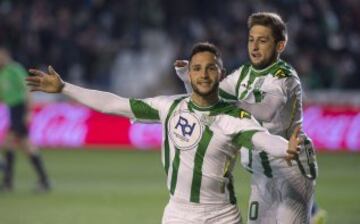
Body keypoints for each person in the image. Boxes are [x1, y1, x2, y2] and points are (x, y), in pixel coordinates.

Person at [27, 42, 302, 224]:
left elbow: (262, 139)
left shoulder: (235, 117)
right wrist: (65, 88)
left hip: (222, 217)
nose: (203, 74)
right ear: (190, 75)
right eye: (196, 69)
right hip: (178, 215)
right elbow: (113, 103)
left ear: (222, 74)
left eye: (210, 68)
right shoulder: (168, 107)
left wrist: (285, 147)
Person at [174, 13, 325, 224]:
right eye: (251, 39)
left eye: (262, 41)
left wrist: (230, 105)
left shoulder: (284, 76)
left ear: (280, 46)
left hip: (291, 170)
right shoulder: (243, 74)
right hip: (260, 175)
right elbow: (205, 98)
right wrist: (188, 79)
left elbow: (267, 110)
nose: (254, 47)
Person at [0, 48, 51, 192]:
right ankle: (9, 182)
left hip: (19, 109)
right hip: (13, 110)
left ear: (5, 55)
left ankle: (43, 181)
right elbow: (3, 96)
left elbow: (26, 88)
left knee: (24, 145)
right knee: (12, 144)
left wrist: (29, 111)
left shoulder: (14, 69)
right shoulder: (2, 73)